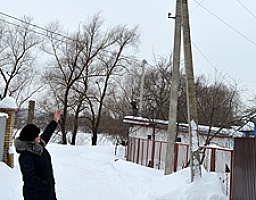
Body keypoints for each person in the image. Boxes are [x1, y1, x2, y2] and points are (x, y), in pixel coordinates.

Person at [14, 110, 61, 200]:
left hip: (47, 193)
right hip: (36, 195)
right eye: (37, 135)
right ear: (30, 138)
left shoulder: (38, 146)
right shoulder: (26, 155)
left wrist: (55, 121)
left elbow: (47, 134)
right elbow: (29, 178)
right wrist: (45, 186)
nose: (39, 137)